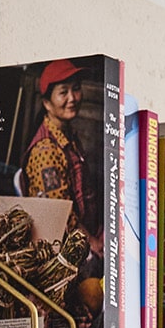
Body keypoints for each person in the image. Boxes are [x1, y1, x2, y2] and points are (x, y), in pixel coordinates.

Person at [23, 60, 100, 253]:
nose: (73, 98)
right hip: (64, 246)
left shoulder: (67, 134)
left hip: (87, 231)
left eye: (76, 89)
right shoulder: (46, 152)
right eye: (63, 92)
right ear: (47, 103)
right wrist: (92, 242)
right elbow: (60, 215)